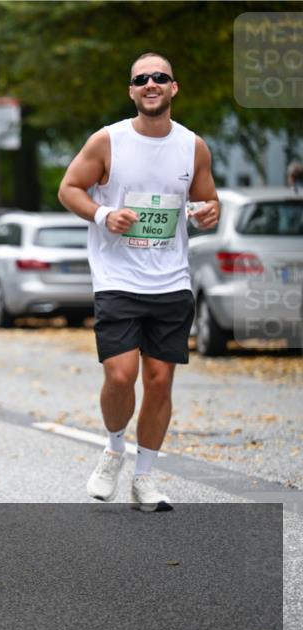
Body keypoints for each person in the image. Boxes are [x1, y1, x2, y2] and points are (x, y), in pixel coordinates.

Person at [58, 52, 219, 511]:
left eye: (160, 78)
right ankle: (113, 447)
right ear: (132, 91)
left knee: (160, 380)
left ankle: (144, 478)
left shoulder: (193, 147)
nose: (151, 84)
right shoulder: (108, 141)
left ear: (173, 88)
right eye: (141, 79)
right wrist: (104, 214)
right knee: (121, 374)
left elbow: (207, 203)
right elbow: (69, 188)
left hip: (171, 281)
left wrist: (210, 213)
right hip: (117, 278)